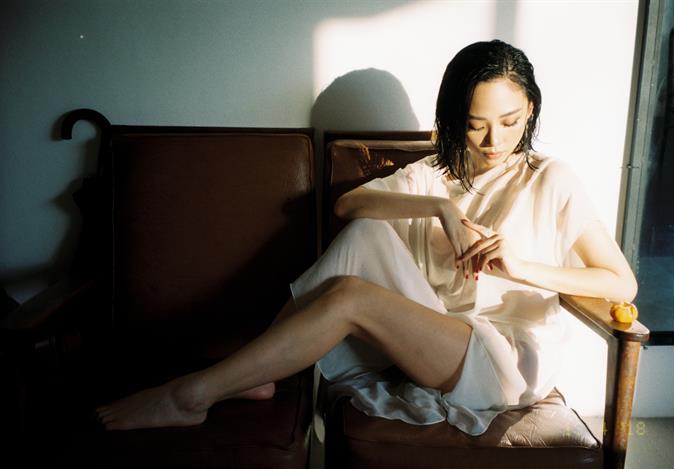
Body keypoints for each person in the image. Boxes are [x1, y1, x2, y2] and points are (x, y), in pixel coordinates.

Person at [96, 39, 637, 435]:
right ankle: (255, 376)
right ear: (456, 119)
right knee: (365, 234)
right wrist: (440, 209)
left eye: (511, 121)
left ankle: (192, 394)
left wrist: (523, 268)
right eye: (476, 125)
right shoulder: (434, 175)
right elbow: (348, 206)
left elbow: (621, 283)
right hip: (437, 329)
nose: (494, 140)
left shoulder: (552, 178)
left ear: (531, 110)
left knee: (351, 296)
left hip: (504, 359)